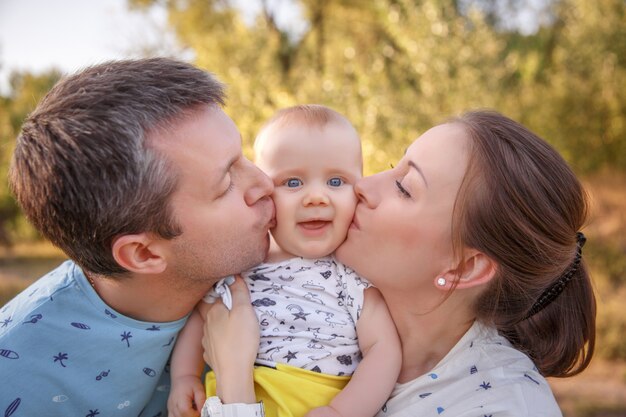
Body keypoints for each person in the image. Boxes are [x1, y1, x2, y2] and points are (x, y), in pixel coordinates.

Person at [205, 110, 596, 417]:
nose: (363, 185)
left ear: (464, 268)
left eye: (405, 188)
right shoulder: (297, 294)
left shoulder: (500, 407)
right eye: (394, 164)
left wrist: (236, 387)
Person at [0, 58, 274, 417]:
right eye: (225, 185)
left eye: (243, 156)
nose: (265, 183)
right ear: (143, 254)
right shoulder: (18, 388)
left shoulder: (304, 264)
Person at [169, 105, 401, 417]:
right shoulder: (241, 265)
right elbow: (202, 320)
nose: (316, 197)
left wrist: (341, 411)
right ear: (265, 192)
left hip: (317, 401)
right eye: (293, 183)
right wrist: (183, 377)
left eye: (336, 182)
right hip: (231, 400)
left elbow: (383, 351)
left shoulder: (351, 273)